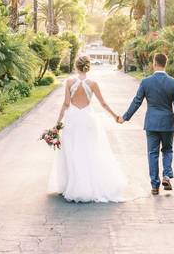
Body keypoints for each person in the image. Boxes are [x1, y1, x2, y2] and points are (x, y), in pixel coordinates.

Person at [48, 55, 126, 202]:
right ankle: (87, 185)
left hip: (73, 119)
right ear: (87, 67)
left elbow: (65, 104)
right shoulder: (93, 83)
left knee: (72, 151)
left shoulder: (69, 82)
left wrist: (57, 125)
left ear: (76, 66)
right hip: (88, 119)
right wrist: (115, 116)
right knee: (90, 150)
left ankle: (74, 185)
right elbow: (103, 104)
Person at [118, 53, 174, 195]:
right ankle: (166, 175)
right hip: (168, 123)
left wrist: (125, 117)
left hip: (152, 123)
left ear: (154, 63)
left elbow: (137, 101)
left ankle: (155, 186)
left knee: (152, 153)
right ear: (166, 63)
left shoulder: (146, 82)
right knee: (167, 150)